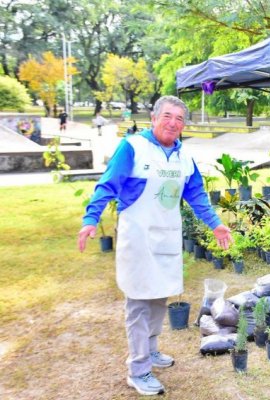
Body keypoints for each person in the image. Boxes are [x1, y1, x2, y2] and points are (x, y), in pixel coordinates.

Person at [77, 95, 232, 396]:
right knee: (138, 300)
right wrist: (91, 218)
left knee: (159, 294)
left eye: (179, 119)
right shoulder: (133, 147)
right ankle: (138, 369)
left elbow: (196, 193)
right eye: (168, 116)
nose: (173, 123)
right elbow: (107, 183)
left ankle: (150, 350)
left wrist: (215, 224)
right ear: (154, 117)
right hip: (138, 237)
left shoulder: (183, 156)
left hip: (167, 236)